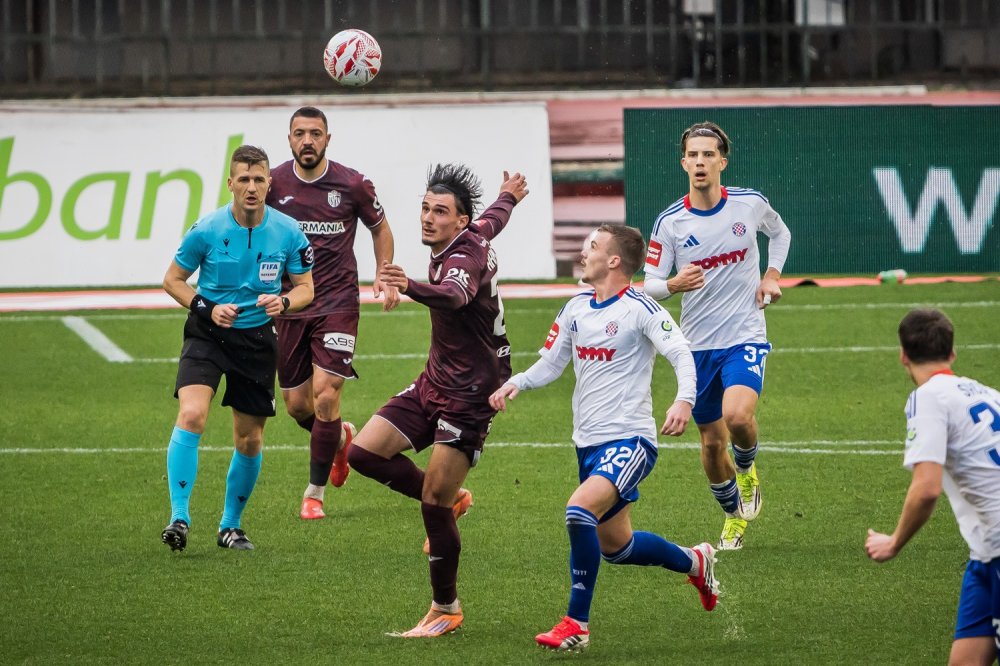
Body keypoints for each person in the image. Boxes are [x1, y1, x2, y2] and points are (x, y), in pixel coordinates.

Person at [489, 224, 719, 651]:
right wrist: (517, 382)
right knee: (617, 547)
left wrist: (684, 400)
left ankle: (576, 624)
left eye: (592, 245)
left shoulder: (641, 307)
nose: (584, 252)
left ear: (614, 260)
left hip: (631, 441)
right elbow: (552, 364)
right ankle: (695, 561)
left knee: (578, 511)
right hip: (588, 444)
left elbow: (680, 353)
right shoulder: (575, 307)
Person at [346, 164, 529, 638]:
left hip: (472, 393)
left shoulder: (463, 257)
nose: (428, 218)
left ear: (459, 221)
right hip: (436, 378)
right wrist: (508, 195)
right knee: (362, 453)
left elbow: (453, 295)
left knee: (432, 503)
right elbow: (493, 218)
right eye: (426, 208)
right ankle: (454, 500)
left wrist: (408, 285)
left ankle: (446, 608)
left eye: (440, 212)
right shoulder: (472, 231)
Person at [642, 121, 791, 550]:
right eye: (693, 154)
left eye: (709, 154)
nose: (700, 162)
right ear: (683, 162)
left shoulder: (749, 204)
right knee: (711, 445)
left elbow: (780, 232)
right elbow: (649, 283)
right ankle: (733, 516)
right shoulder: (670, 222)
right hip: (697, 345)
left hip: (745, 334)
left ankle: (746, 471)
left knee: (738, 417)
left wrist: (771, 275)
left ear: (722, 162)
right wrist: (673, 284)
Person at [160, 145, 314, 552]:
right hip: (207, 334)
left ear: (269, 184)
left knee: (249, 440)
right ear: (230, 183)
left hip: (256, 339)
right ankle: (179, 517)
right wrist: (206, 308)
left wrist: (284, 302)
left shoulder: (288, 232)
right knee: (192, 414)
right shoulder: (207, 229)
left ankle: (230, 526)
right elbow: (173, 280)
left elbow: (306, 289)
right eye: (243, 179)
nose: (251, 187)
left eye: (258, 179)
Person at [266, 106, 400, 521]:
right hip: (291, 304)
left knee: (326, 393)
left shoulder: (352, 184)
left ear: (327, 138)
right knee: (297, 405)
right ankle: (339, 438)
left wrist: (384, 271)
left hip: (338, 302)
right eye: (300, 133)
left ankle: (314, 493)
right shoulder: (273, 184)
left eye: (315, 133)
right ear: (289, 139)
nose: (307, 140)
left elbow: (380, 227)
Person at [866, 308, 1000, 666]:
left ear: (903, 356)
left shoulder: (927, 397)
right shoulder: (989, 393)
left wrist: (894, 543)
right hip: (985, 554)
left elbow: (927, 489)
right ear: (952, 354)